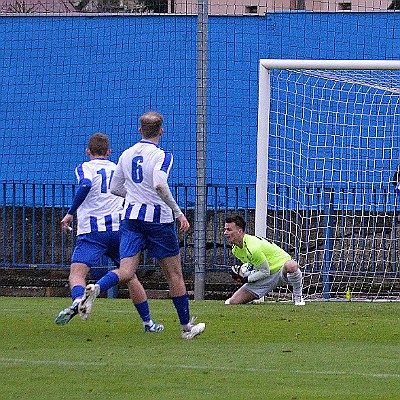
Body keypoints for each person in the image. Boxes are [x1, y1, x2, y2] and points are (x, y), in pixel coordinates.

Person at [78, 111, 206, 340]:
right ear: (161, 131)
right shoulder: (162, 156)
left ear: (139, 130)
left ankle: (97, 287)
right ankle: (186, 328)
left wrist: (135, 197)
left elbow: (116, 189)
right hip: (158, 220)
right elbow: (159, 183)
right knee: (174, 274)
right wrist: (178, 213)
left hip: (131, 218)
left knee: (127, 271)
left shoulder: (126, 155)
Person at [55, 133, 164, 333]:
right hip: (118, 229)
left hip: (92, 231)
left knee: (77, 274)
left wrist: (70, 213)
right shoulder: (116, 167)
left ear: (88, 151)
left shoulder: (84, 167)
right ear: (109, 152)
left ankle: (79, 300)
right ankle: (149, 324)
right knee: (130, 276)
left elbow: (86, 184)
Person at [223, 214, 305, 306]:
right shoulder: (235, 250)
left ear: (239, 231)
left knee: (291, 265)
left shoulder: (252, 247)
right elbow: (255, 267)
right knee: (233, 302)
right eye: (225, 229)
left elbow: (265, 271)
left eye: (229, 230)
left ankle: (298, 297)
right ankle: (249, 298)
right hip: (265, 275)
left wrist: (246, 279)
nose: (225, 233)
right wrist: (243, 274)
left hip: (281, 270)